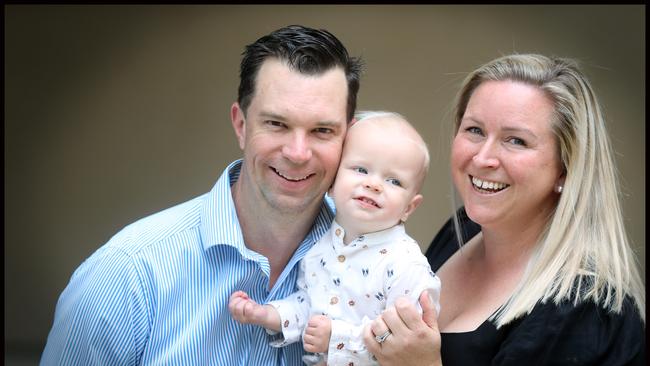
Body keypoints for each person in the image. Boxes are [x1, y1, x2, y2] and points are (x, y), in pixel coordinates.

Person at [40, 25, 363, 365]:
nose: (298, 153)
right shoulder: (126, 274)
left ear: (348, 138)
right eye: (276, 124)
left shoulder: (382, 267)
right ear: (241, 126)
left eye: (322, 130)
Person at [363, 54, 646, 365]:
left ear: (566, 169)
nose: (483, 158)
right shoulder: (464, 231)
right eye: (475, 130)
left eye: (516, 140)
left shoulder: (582, 310)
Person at [229, 111, 441, 366]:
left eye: (393, 180)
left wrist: (335, 337)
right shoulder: (320, 246)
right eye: (361, 169)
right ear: (332, 182)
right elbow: (308, 304)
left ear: (409, 207)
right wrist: (268, 314)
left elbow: (407, 343)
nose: (374, 184)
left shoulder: (405, 264)